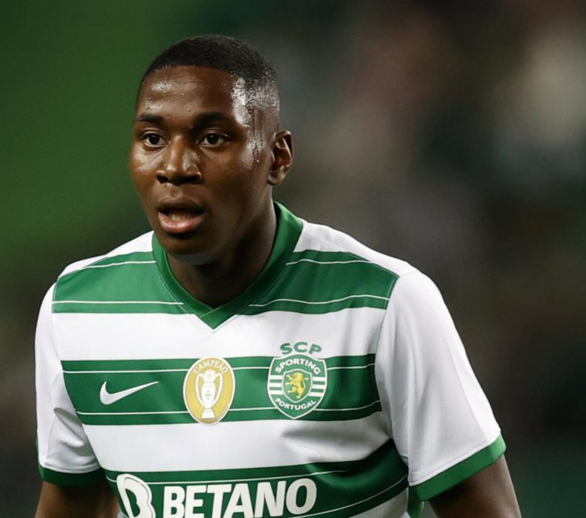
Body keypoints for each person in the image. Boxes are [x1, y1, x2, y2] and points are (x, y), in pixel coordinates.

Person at [34, 35, 521, 518]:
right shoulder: (76, 310)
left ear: (278, 157)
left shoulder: (385, 303)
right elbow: (75, 504)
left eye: (212, 138)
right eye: (153, 139)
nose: (175, 167)